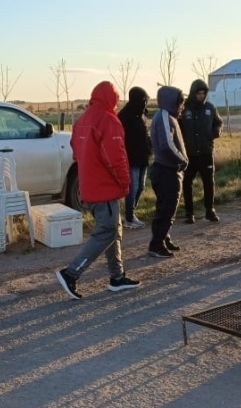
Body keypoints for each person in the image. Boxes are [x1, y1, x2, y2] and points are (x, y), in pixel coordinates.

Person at [55, 81, 140, 300]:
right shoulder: (108, 120)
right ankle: (71, 273)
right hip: (105, 188)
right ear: (112, 98)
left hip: (89, 186)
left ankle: (117, 277)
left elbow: (76, 151)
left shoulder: (83, 119)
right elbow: (116, 157)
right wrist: (125, 182)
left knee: (114, 230)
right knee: (106, 232)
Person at [148, 85, 189, 258]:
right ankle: (156, 244)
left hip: (166, 169)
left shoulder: (167, 116)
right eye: (179, 102)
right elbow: (167, 144)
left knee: (165, 208)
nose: (181, 106)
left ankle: (163, 238)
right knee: (167, 209)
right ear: (171, 101)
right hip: (166, 171)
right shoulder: (164, 116)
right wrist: (182, 159)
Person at [180, 79, 223, 223]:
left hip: (206, 152)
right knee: (187, 183)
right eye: (199, 93)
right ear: (193, 93)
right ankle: (189, 213)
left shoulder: (210, 108)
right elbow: (178, 128)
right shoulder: (184, 109)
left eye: (204, 93)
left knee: (208, 182)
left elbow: (218, 122)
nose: (201, 96)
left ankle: (210, 210)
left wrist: (214, 133)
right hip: (189, 153)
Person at [118, 86, 152, 229]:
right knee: (133, 187)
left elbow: (145, 133)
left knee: (141, 187)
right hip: (131, 157)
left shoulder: (141, 114)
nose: (145, 103)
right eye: (143, 100)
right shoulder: (124, 116)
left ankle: (131, 214)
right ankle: (130, 218)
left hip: (143, 156)